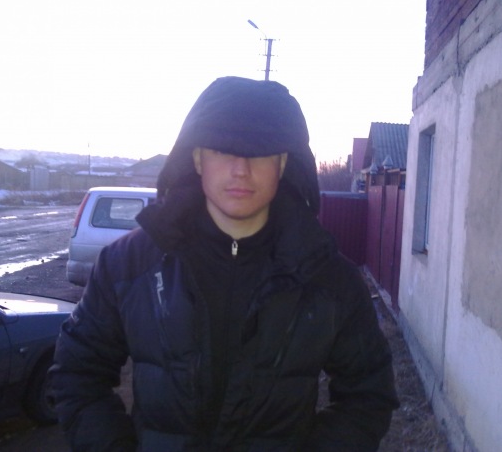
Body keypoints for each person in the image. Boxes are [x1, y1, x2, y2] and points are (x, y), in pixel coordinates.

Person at [50, 76, 399, 451]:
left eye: (260, 152)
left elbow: (368, 395)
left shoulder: (327, 278)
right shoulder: (129, 264)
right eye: (222, 149)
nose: (240, 169)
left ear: (282, 163)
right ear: (197, 158)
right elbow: (77, 374)